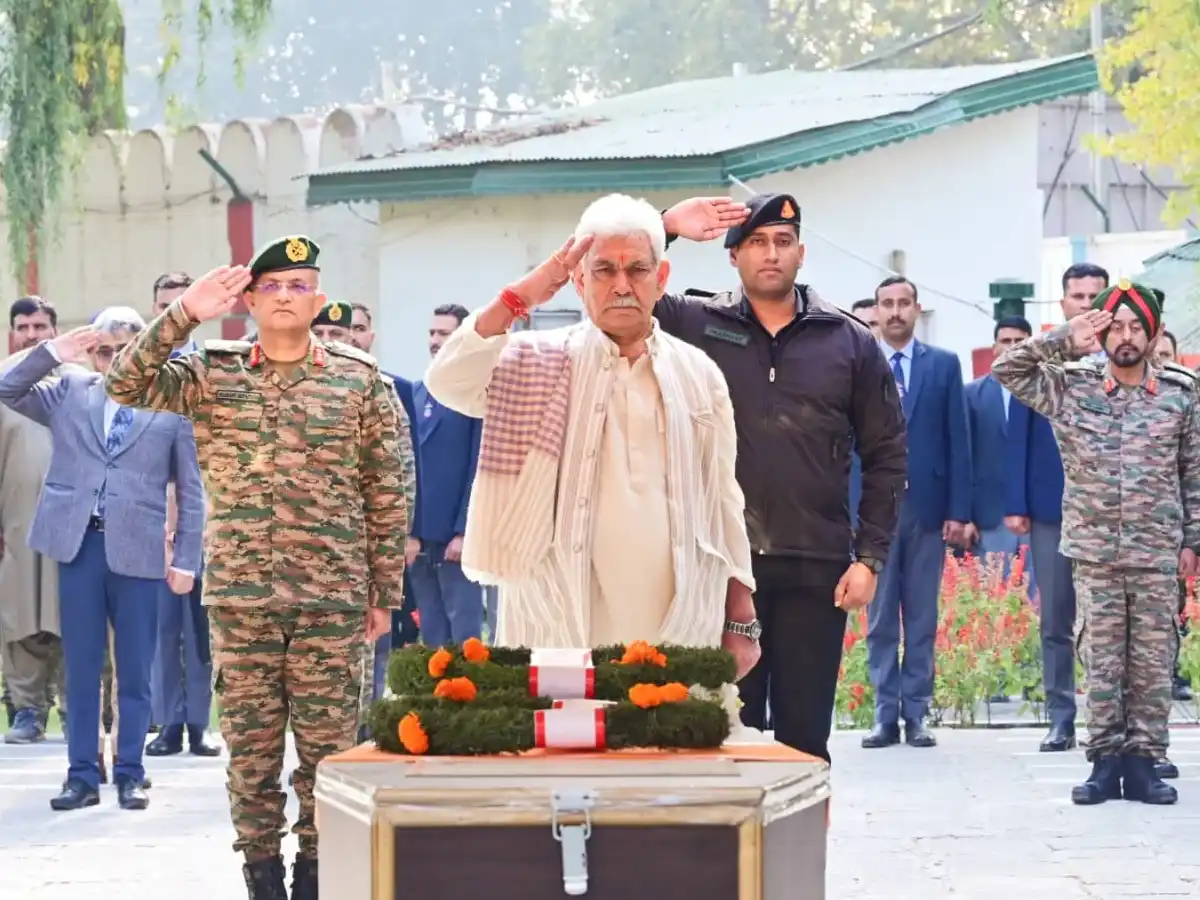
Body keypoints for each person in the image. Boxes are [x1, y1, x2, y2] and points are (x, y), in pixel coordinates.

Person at [104, 237, 408, 900]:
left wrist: (383, 592)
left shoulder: (359, 381)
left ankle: (318, 876)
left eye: (299, 285)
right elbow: (122, 381)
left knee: (328, 758)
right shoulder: (213, 372)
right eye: (271, 286)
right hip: (242, 602)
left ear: (318, 298)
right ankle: (262, 875)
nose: (285, 296)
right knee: (251, 755)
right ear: (248, 300)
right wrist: (184, 312)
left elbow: (388, 487)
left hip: (333, 600)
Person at [425, 194, 761, 683]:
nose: (621, 285)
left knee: (667, 748)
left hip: (680, 613)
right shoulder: (536, 359)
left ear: (661, 279)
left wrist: (741, 615)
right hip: (557, 608)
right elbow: (448, 379)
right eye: (603, 270)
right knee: (563, 752)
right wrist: (524, 295)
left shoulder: (698, 373)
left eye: (637, 270)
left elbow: (724, 500)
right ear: (579, 281)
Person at [650, 193, 907, 764]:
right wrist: (663, 227)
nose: (772, 254)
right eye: (757, 243)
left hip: (812, 570)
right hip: (718, 567)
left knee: (804, 743)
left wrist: (868, 559)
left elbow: (888, 455)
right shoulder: (695, 324)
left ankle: (797, 855)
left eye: (783, 242)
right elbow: (615, 291)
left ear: (801, 253)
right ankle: (726, 857)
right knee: (714, 739)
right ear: (734, 257)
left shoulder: (850, 342)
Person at [993, 281, 1198, 807]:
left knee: (1152, 663)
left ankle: (1145, 762)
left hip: (1156, 552)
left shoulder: (1181, 392)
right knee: (1103, 660)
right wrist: (1066, 336)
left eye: (1137, 327)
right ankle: (1105, 762)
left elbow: (1192, 473)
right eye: (1116, 326)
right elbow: (1007, 369)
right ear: (1101, 331)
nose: (1126, 338)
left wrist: (1192, 541)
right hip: (1096, 553)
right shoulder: (1072, 385)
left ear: (1152, 334)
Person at [0, 306, 205, 812]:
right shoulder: (70, 393)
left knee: (134, 671)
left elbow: (192, 490)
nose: (117, 359)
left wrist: (187, 558)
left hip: (138, 550)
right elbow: (6, 389)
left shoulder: (169, 407)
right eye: (106, 350)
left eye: (129, 349)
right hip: (79, 547)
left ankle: (131, 772)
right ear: (93, 354)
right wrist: (50, 352)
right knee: (83, 666)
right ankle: (82, 776)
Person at [862, 275, 971, 750]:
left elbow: (958, 442)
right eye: (887, 304)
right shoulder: (858, 365)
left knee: (922, 618)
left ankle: (917, 716)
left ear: (917, 309)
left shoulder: (943, 366)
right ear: (878, 311)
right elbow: (845, 445)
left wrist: (959, 510)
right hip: (875, 515)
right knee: (881, 619)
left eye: (904, 303)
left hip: (928, 512)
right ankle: (885, 718)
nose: (895, 312)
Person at [1005, 262, 1108, 753]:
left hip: (1112, 518)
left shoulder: (1125, 360)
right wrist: (1018, 502)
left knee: (1113, 624)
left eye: (1095, 295)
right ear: (1063, 304)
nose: (1086, 303)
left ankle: (1117, 726)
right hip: (1052, 510)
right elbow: (1019, 434)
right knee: (1056, 621)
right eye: (1077, 296)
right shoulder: (1045, 363)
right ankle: (1061, 717)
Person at [147, 272, 220, 758]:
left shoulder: (212, 367)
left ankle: (199, 723)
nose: (172, 312)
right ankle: (168, 722)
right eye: (164, 304)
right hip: (154, 518)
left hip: (211, 517)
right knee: (160, 629)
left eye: (181, 303)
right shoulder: (142, 371)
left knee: (203, 633)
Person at [1, 297, 75, 744]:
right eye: (23, 326)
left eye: (40, 326)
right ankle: (28, 711)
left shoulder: (79, 382)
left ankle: (76, 711)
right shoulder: (2, 383)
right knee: (21, 615)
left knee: (75, 615)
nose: (31, 334)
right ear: (12, 332)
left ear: (54, 329)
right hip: (18, 522)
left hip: (75, 523)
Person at [406, 303, 486, 647]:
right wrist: (409, 531)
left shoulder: (476, 391)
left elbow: (480, 466)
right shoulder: (417, 390)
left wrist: (464, 531)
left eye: (445, 334)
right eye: (432, 333)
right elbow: (407, 466)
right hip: (420, 541)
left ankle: (468, 700)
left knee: (465, 636)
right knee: (432, 638)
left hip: (457, 541)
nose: (436, 341)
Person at [964, 316, 1033, 573]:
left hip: (1037, 518)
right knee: (995, 602)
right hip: (989, 519)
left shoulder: (1048, 391)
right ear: (995, 348)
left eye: (1020, 341)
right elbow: (963, 457)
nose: (1012, 346)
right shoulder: (971, 395)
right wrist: (964, 515)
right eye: (1006, 341)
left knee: (1040, 603)